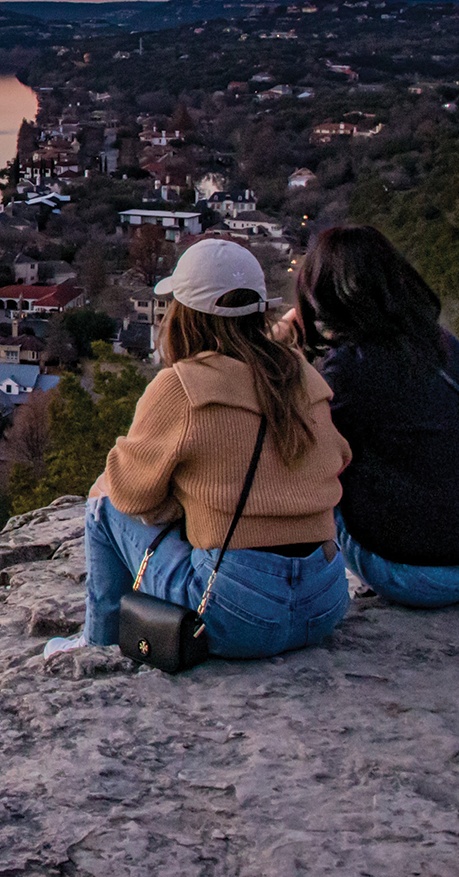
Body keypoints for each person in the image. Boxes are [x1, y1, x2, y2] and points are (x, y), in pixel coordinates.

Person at [45, 240, 352, 661]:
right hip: (323, 605)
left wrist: (185, 499)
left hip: (238, 618)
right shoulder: (301, 373)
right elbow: (340, 458)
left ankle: (99, 642)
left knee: (103, 504)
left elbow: (130, 495)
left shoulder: (182, 387)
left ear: (184, 314)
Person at [293, 225, 459, 609]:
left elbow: (296, 454)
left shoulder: (349, 370)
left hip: (418, 577)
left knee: (312, 468)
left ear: (325, 295)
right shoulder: (444, 345)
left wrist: (285, 349)